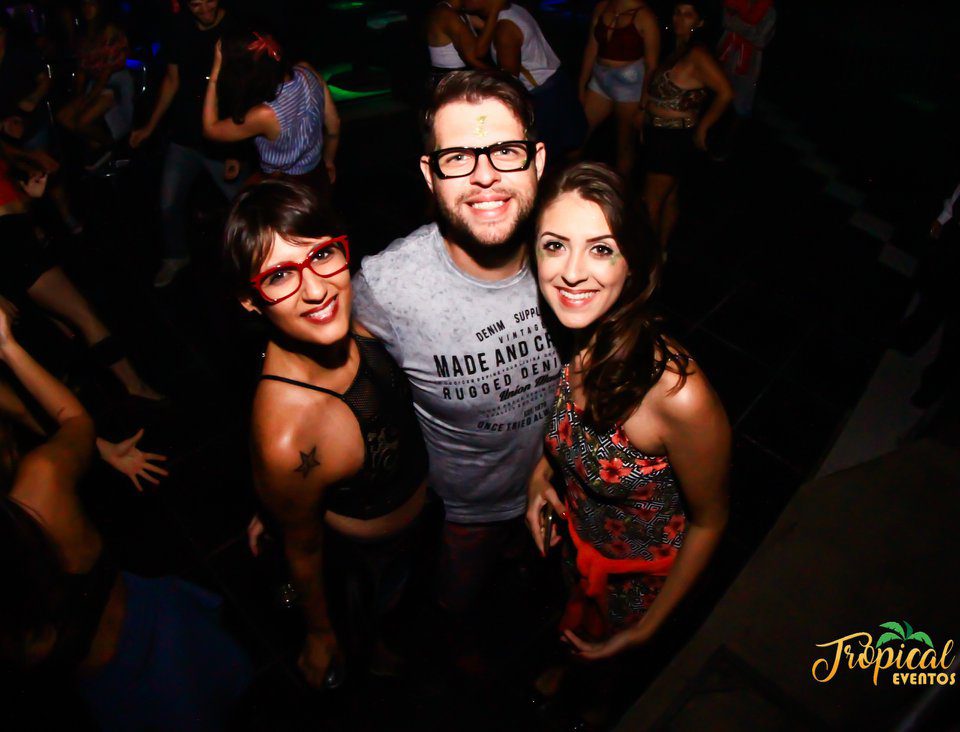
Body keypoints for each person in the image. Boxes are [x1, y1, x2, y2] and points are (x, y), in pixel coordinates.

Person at [350, 70, 560, 676]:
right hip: (464, 509)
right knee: (456, 601)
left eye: (505, 151)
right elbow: (333, 382)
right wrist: (291, 486)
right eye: (458, 157)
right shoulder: (388, 287)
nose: (485, 175)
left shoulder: (573, 251)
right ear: (429, 173)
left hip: (565, 480)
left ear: (537, 160)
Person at [526, 161, 730, 725]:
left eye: (601, 249)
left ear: (633, 262)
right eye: (554, 245)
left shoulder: (677, 396)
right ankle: (571, 666)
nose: (571, 273)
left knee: (610, 662)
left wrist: (647, 630)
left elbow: (711, 521)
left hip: (640, 581)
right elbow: (568, 433)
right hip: (578, 545)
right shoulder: (575, 333)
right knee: (575, 630)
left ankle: (599, 702)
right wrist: (538, 480)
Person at [0, 307, 253, 731]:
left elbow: (30, 417)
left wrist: (97, 448)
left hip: (108, 688)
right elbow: (70, 420)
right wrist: (8, 347)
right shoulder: (42, 486)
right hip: (155, 624)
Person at [223, 178, 428, 688]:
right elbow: (304, 549)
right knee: (382, 628)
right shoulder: (289, 439)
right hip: (370, 559)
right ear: (250, 300)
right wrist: (319, 633)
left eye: (322, 255)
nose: (316, 290)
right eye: (279, 276)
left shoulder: (360, 315)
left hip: (429, 522)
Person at [0, 153, 163, 400]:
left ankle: (88, 390)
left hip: (18, 235)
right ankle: (134, 387)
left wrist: (30, 198)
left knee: (67, 324)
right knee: (84, 315)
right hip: (10, 245)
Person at [129, 0, 246, 288]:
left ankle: (252, 264)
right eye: (196, 4)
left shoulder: (236, 28)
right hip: (185, 135)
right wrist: (150, 126)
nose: (204, 9)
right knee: (168, 204)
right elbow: (172, 80)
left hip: (222, 139)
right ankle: (176, 257)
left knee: (245, 207)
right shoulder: (178, 29)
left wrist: (236, 150)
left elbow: (243, 89)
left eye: (209, 1)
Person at [203, 29, 340, 197]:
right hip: (317, 174)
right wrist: (329, 162)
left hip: (284, 188)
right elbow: (334, 124)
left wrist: (215, 74)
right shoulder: (306, 70)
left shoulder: (265, 114)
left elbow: (210, 129)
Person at [643, 1, 733, 249]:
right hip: (659, 132)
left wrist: (704, 127)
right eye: (677, 12)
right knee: (669, 197)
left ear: (700, 22)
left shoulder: (698, 54)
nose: (679, 19)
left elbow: (726, 92)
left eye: (688, 15)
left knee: (650, 202)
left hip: (673, 137)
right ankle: (660, 251)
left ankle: (646, 259)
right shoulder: (678, 48)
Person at [463, 0, 586, 160]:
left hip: (543, 94)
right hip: (557, 81)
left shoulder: (505, 30)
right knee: (569, 146)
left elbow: (510, 80)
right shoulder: (513, 10)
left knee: (543, 155)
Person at [578, 0, 659, 178]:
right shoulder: (602, 6)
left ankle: (621, 189)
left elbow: (652, 66)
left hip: (629, 85)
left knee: (624, 145)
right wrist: (582, 85)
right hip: (600, 79)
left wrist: (643, 106)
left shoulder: (645, 16)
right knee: (578, 132)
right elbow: (591, 47)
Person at [55, 0, 133, 169]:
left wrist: (88, 98)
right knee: (64, 117)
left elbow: (107, 71)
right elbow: (82, 69)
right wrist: (79, 96)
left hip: (114, 83)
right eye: (84, 4)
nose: (87, 9)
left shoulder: (110, 31)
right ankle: (97, 146)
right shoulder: (85, 34)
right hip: (95, 83)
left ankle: (112, 147)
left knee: (82, 121)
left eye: (92, 4)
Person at [717, 0, 775, 120]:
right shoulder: (733, 2)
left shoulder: (769, 11)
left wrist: (737, 24)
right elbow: (726, 21)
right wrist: (748, 28)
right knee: (718, 90)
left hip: (750, 63)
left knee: (740, 100)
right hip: (725, 53)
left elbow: (761, 39)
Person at [424, 0, 503, 87]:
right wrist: (501, 75)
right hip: (449, 80)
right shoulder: (446, 14)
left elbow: (491, 29)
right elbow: (473, 58)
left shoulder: (459, 12)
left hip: (455, 76)